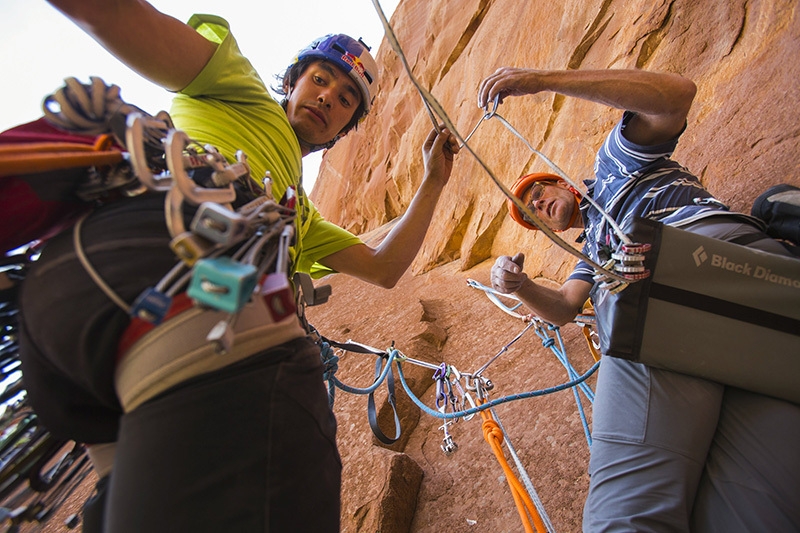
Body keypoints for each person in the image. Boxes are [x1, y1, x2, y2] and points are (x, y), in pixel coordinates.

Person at [17, 1, 459, 532]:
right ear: (293, 82)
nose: (328, 98)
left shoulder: (299, 212)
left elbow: (384, 267)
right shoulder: (236, 84)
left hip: (66, 306)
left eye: (346, 101)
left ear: (345, 130)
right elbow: (115, 16)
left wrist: (432, 182)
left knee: (127, 494)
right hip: (173, 271)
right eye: (320, 79)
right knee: (296, 474)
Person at [479, 67, 800, 532]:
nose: (537, 209)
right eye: (532, 217)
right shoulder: (592, 252)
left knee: (622, 519)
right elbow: (566, 308)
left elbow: (676, 97)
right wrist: (520, 286)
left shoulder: (615, 165)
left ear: (562, 182)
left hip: (675, 294)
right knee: (752, 513)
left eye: (537, 194)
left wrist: (540, 81)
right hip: (753, 306)